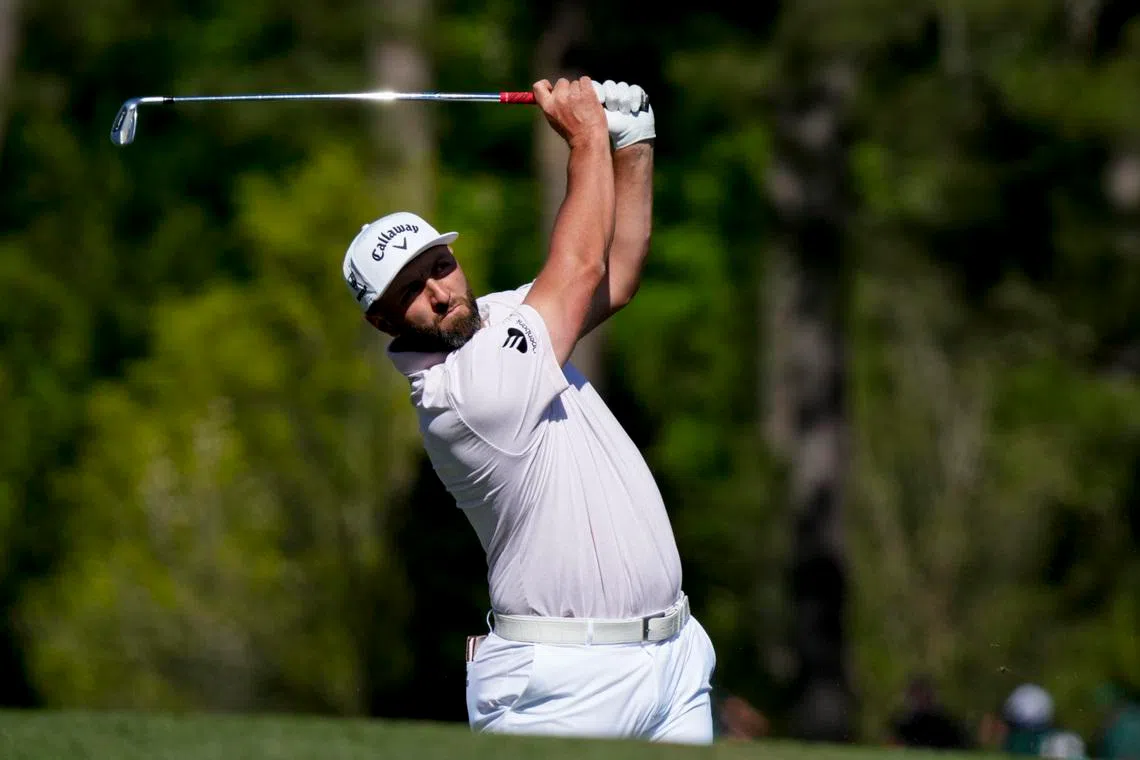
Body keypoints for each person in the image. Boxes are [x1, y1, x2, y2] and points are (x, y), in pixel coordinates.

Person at [340, 76, 717, 744]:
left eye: (441, 264)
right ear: (381, 320)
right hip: (560, 681)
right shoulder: (464, 396)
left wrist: (633, 141)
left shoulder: (502, 318)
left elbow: (616, 272)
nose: (440, 291)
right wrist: (586, 135)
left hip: (673, 655)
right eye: (410, 289)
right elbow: (575, 271)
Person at [887, 674, 971, 750]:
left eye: (924, 695)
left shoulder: (947, 725)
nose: (921, 700)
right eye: (917, 695)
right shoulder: (902, 727)